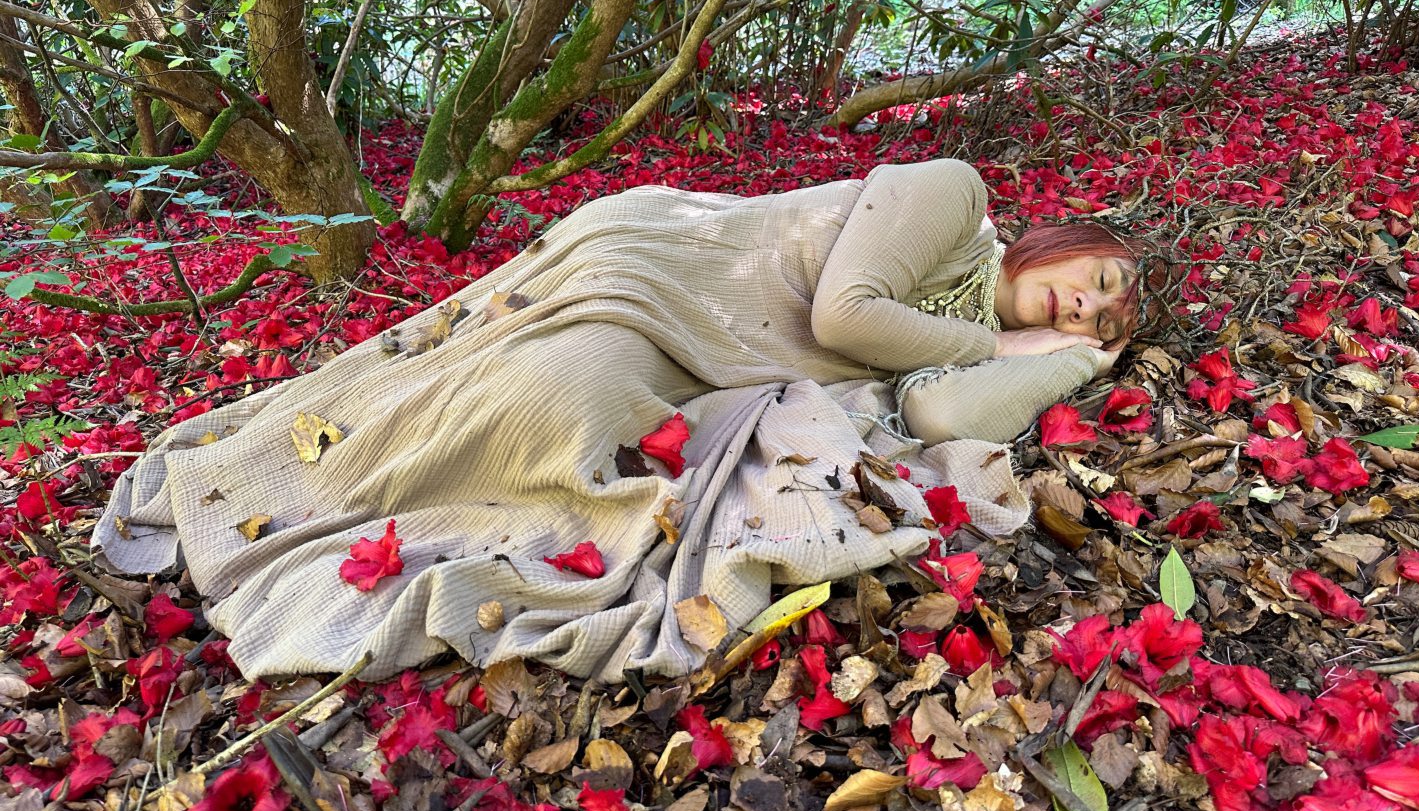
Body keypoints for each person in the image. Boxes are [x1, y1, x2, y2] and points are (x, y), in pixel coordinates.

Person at [93, 160, 1144, 683]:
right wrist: (988, 345)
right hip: (662, 273)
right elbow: (845, 314)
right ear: (1061, 241)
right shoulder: (952, 200)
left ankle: (342, 495)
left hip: (710, 361)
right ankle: (275, 489)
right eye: (1095, 280)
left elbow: (942, 408)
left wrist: (1050, 367)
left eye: (1104, 319)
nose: (1085, 306)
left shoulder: (962, 336)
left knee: (574, 419)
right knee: (550, 392)